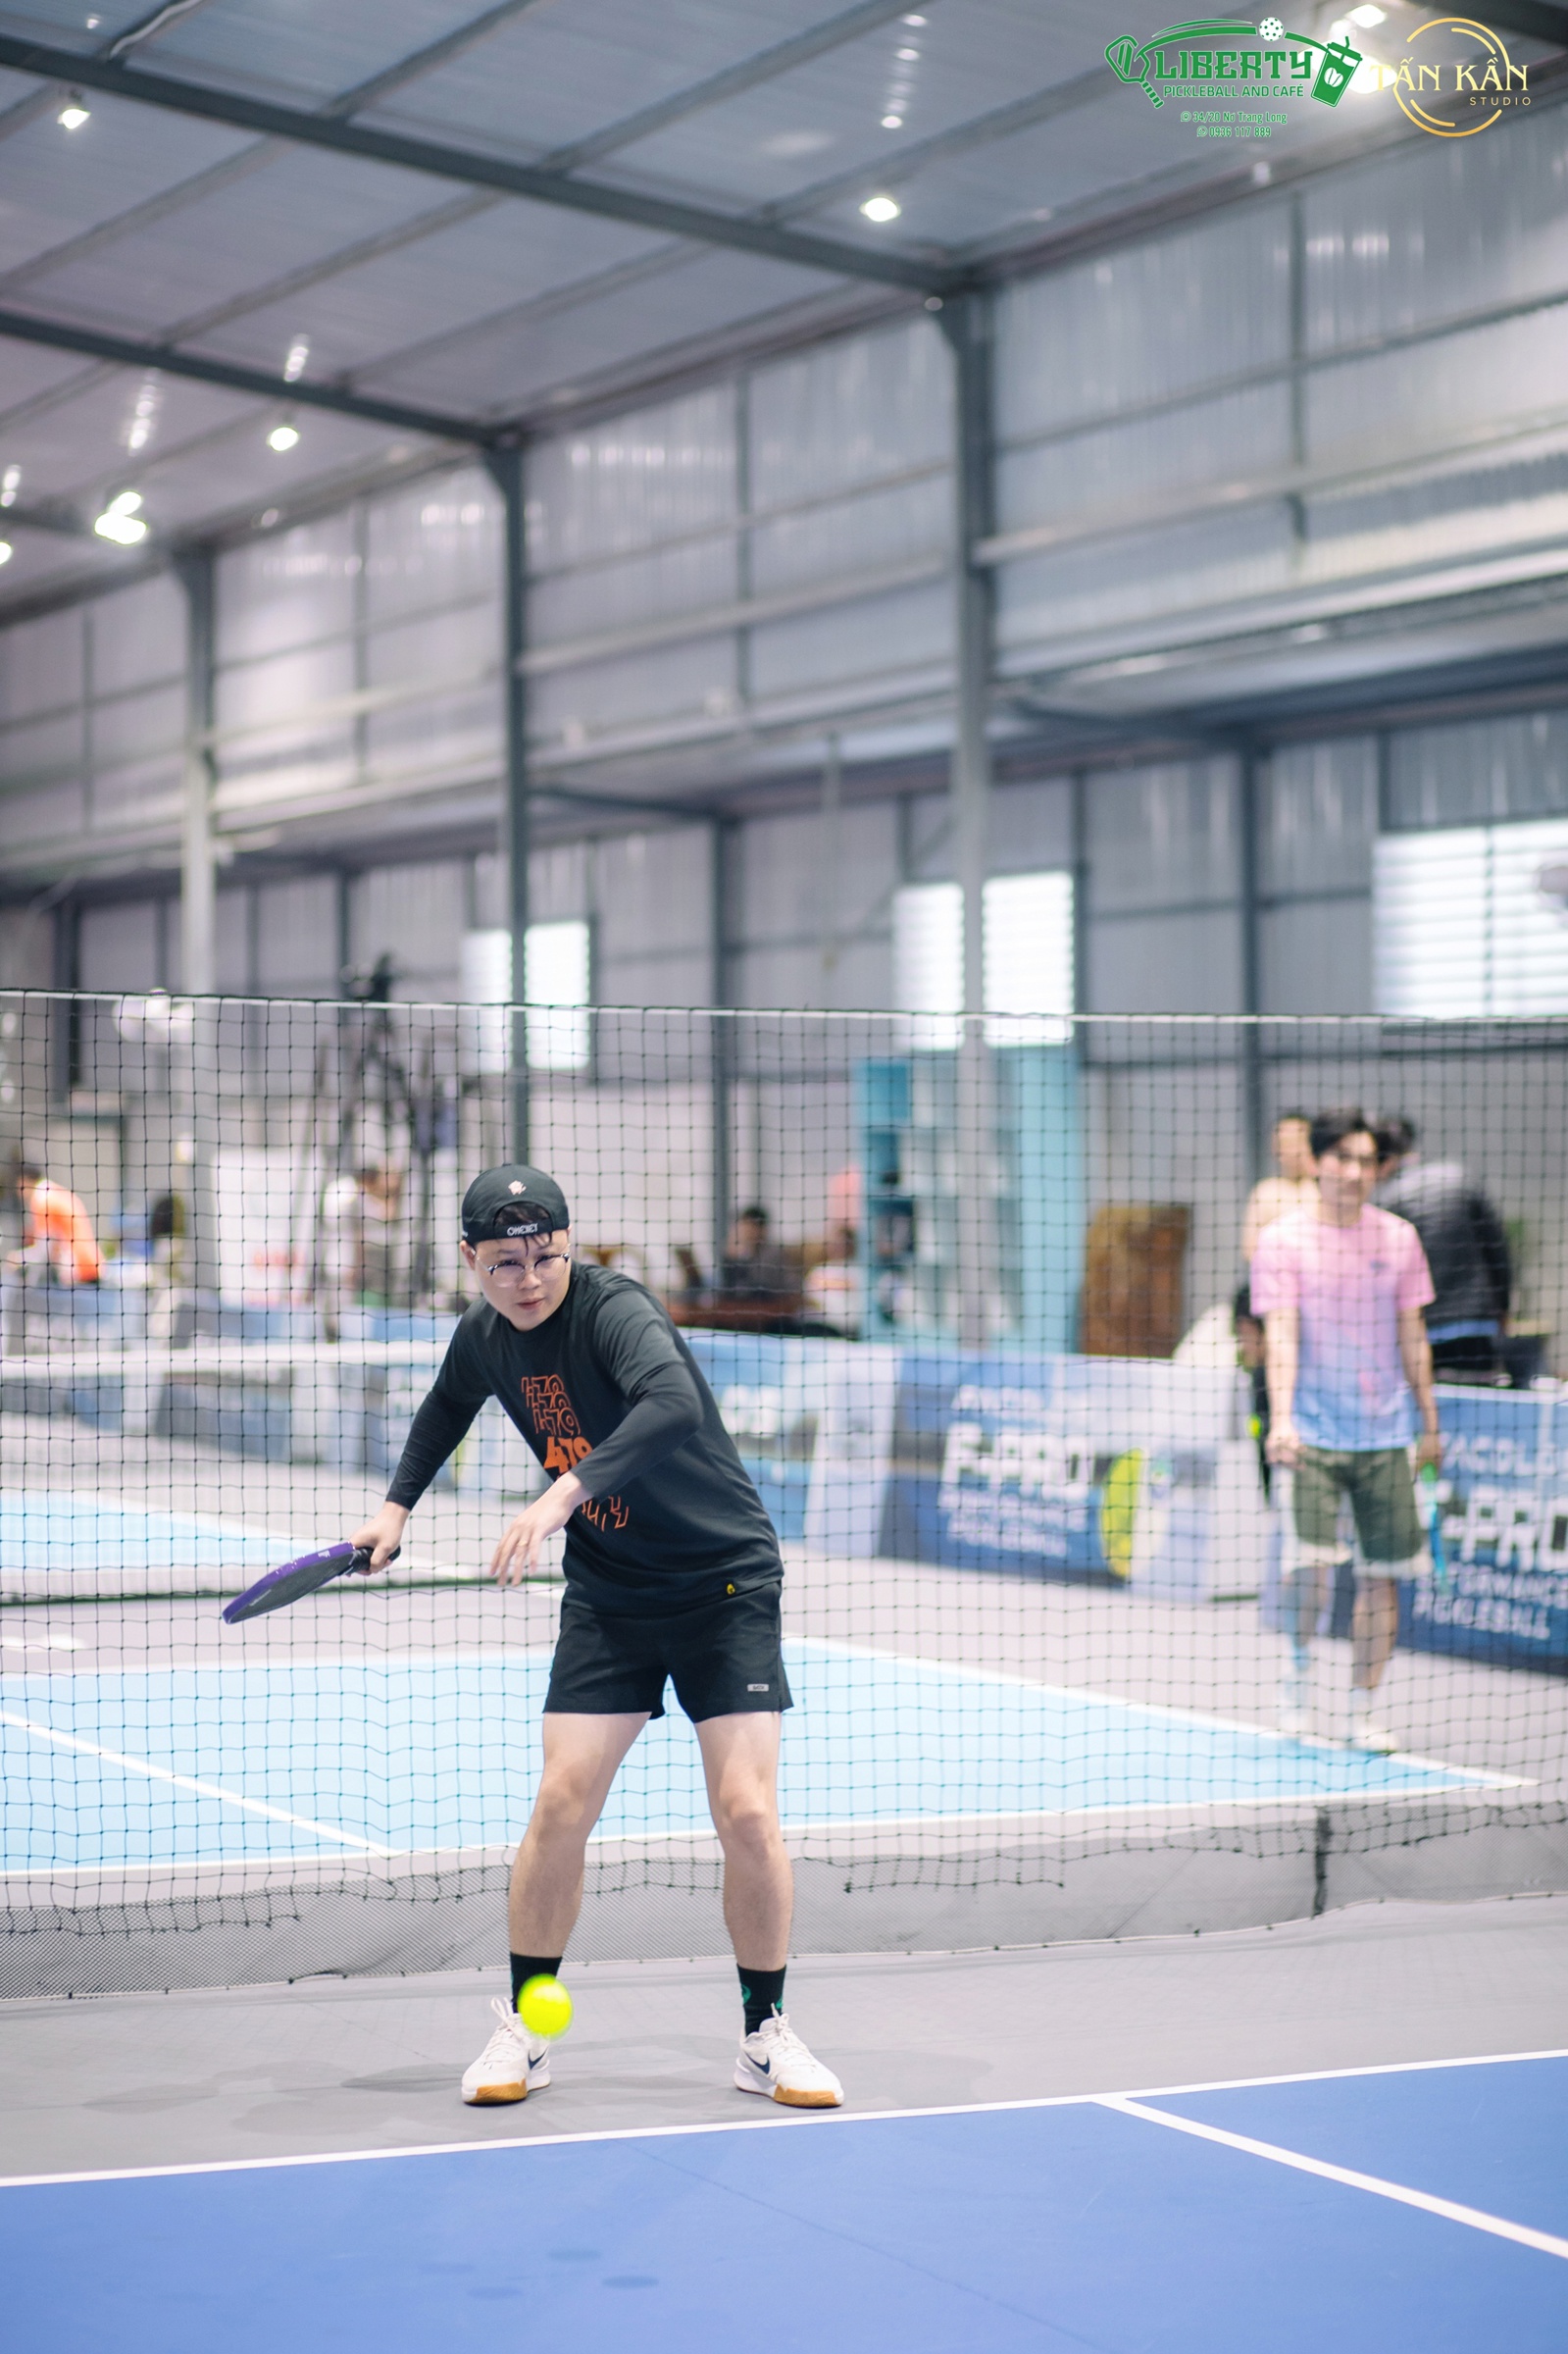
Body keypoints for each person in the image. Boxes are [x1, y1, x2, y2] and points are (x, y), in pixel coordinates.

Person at [350, 1162, 843, 2114]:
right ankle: (528, 2025)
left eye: (545, 1256)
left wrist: (560, 1497)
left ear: (567, 1246)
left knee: (747, 1813)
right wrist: (394, 1509)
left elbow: (672, 1405)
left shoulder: (614, 1311)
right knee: (561, 1800)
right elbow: (447, 1405)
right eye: (505, 1263)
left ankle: (764, 2035)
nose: (529, 1278)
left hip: (723, 1582)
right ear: (470, 1260)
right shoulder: (483, 1336)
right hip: (612, 1594)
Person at [1250, 1108, 1442, 1751]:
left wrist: (1428, 1424)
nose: (1355, 1172)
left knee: (1381, 1577)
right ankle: (1296, 1681)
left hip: (1385, 1436)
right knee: (1308, 1568)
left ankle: (1361, 1712)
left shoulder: (1399, 1239)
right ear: (1316, 1161)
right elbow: (1280, 1334)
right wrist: (1280, 1419)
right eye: (1342, 1158)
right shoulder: (1282, 1241)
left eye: (1365, 1161)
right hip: (1308, 1434)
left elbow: (1413, 1334)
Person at [1375, 1117, 1511, 1386]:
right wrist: (1503, 1309)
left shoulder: (1386, 1201)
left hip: (1424, 1333)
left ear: (1384, 1160)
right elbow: (1497, 1251)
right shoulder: (1461, 1178)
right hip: (1477, 1324)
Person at [2, 1158, 104, 1354]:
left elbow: (44, 1250)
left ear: (24, 1181)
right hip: (89, 1268)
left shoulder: (42, 1199)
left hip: (78, 1272)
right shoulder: (54, 1192)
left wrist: (18, 1259)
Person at [1240, 1111, 1317, 1264]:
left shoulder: (1326, 1190)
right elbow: (1249, 1250)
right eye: (1285, 1144)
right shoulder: (1265, 1192)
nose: (1292, 1151)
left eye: (1298, 1142)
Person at [719, 1204, 796, 1303]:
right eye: (744, 1225)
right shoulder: (736, 1251)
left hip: (770, 1304)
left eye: (751, 1226)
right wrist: (731, 1258)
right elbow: (729, 1286)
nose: (747, 1231)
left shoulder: (773, 1253)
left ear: (762, 1229)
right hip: (740, 1305)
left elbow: (763, 1285)